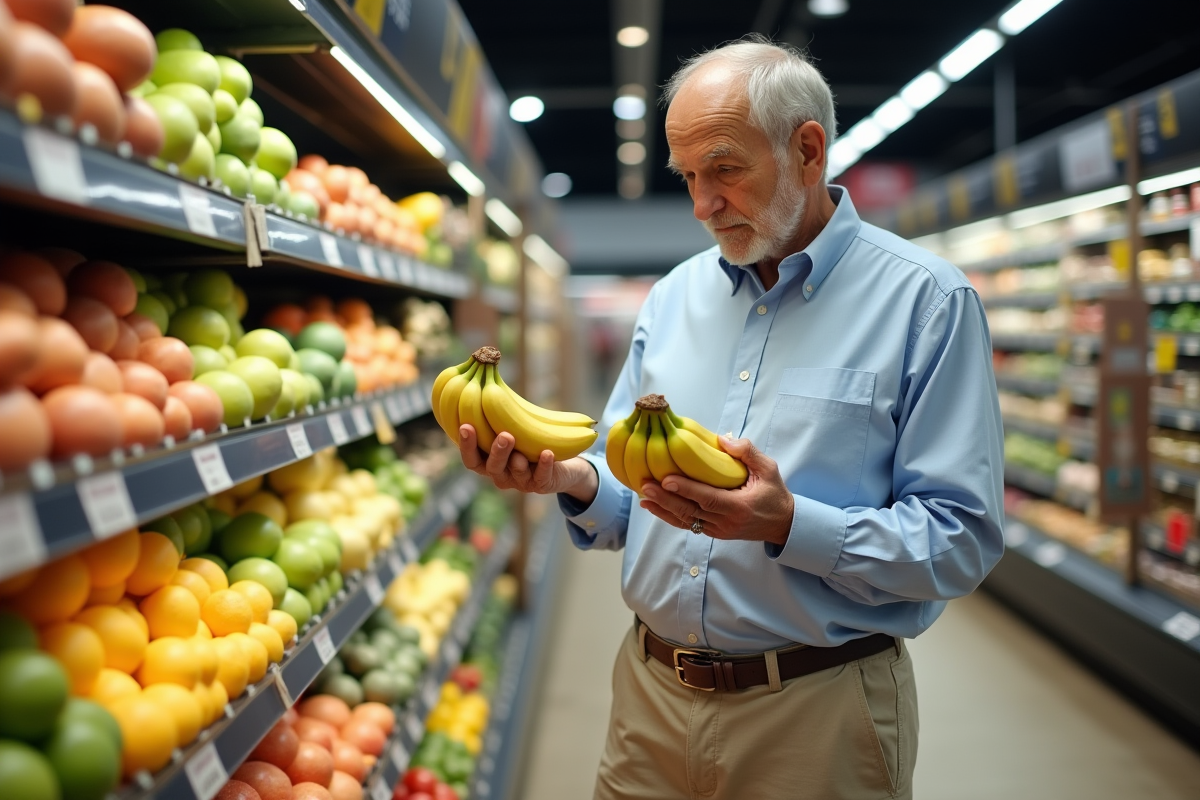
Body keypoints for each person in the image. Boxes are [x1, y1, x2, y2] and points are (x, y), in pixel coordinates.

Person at [456, 36, 1004, 800]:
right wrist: (575, 481)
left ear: (807, 150)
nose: (701, 204)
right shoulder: (673, 298)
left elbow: (960, 540)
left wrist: (787, 522)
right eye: (687, 176)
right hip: (647, 699)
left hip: (816, 716)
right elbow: (630, 498)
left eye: (725, 169)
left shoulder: (926, 304)